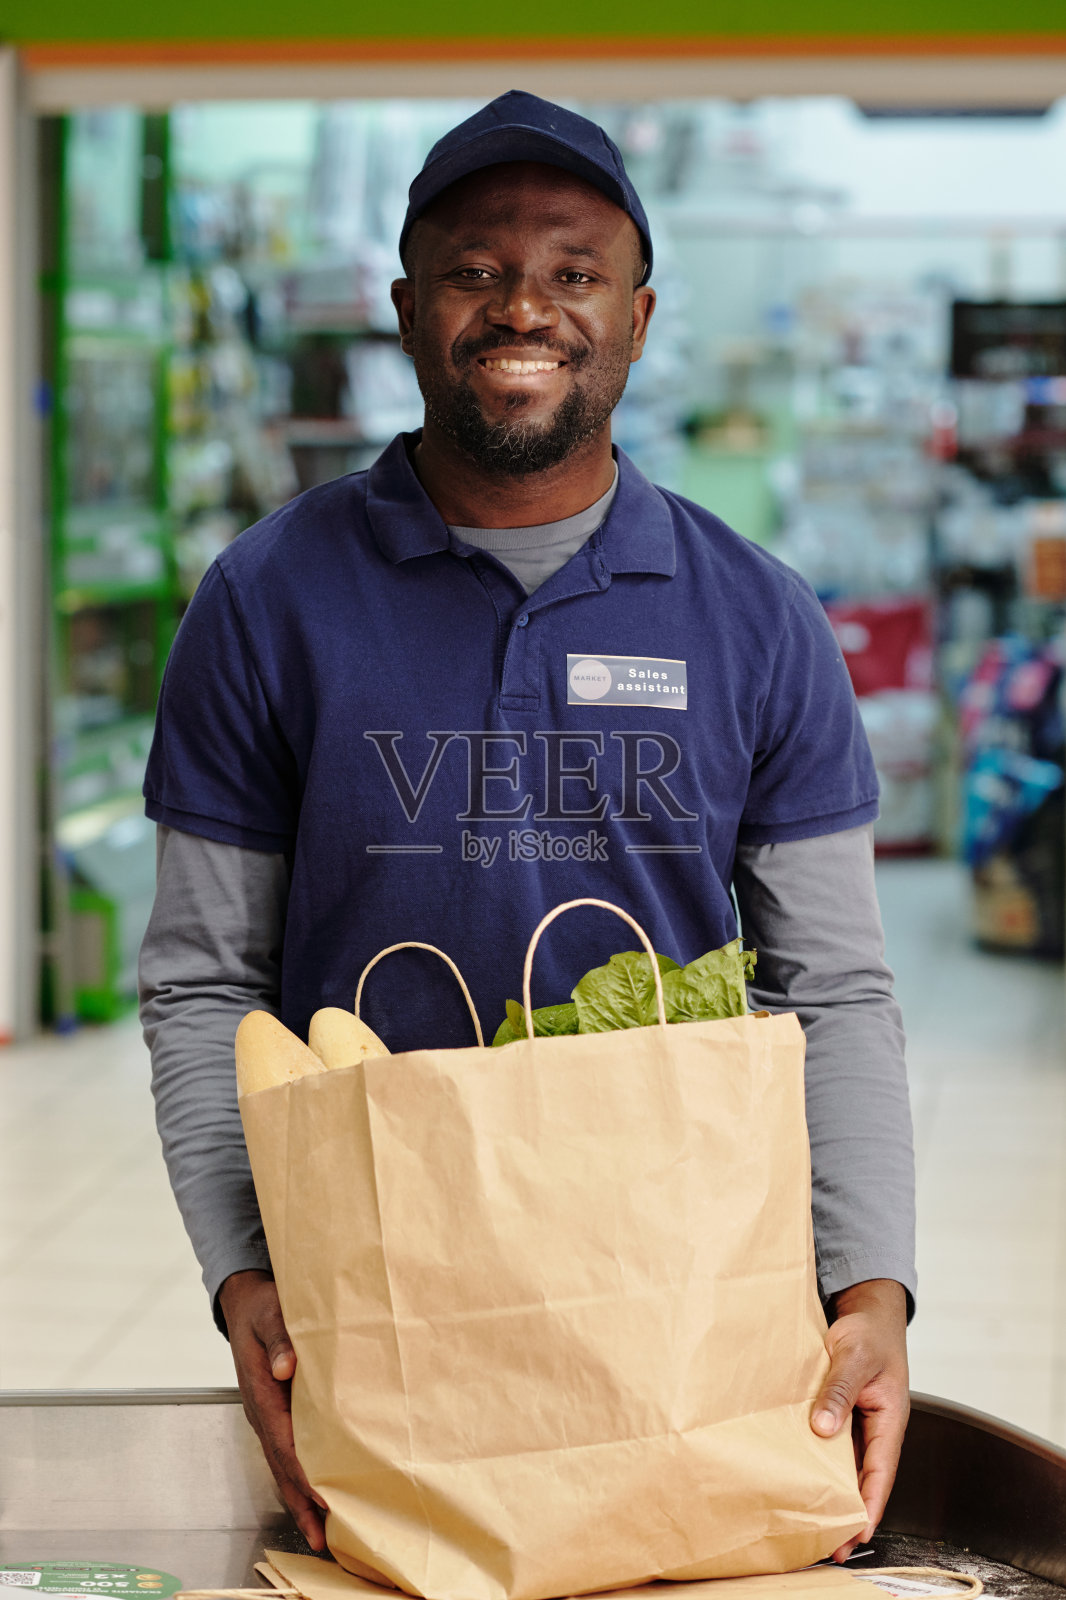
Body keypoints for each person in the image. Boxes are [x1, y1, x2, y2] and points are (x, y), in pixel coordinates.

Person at [140, 91, 915, 1566]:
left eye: (572, 271)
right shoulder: (267, 597)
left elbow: (835, 984)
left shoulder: (757, 615)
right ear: (407, 306)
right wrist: (247, 1273)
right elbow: (199, 982)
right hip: (381, 1289)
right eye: (476, 268)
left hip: (680, 1295)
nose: (524, 307)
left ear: (634, 312)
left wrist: (871, 1284)